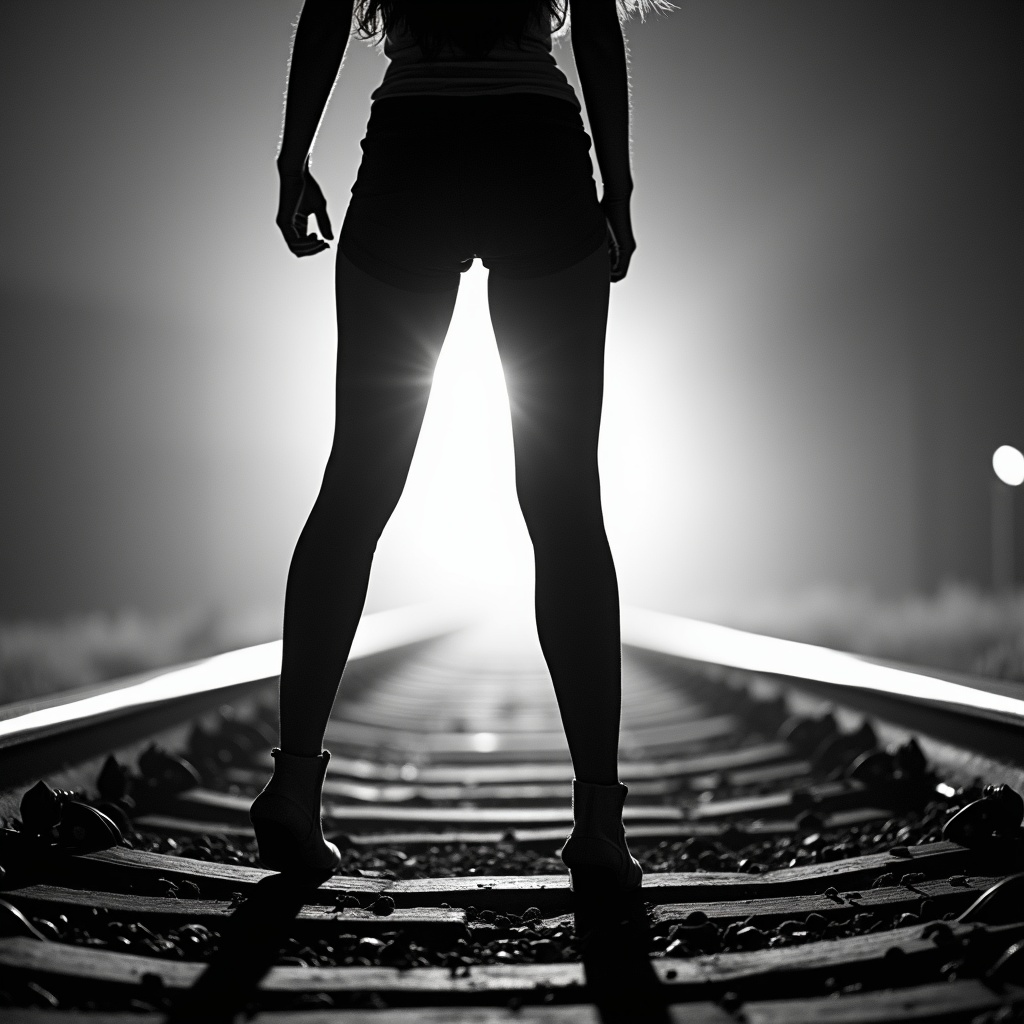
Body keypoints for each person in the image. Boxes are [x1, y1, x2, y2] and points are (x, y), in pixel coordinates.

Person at [250, 0, 668, 894]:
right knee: (563, 501)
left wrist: (293, 160)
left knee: (357, 481)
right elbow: (594, 27)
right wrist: (619, 192)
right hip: (537, 153)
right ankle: (598, 819)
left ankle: (292, 785)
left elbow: (327, 12)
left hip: (413, 149)